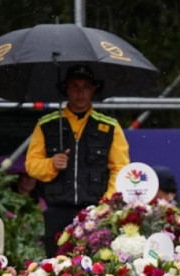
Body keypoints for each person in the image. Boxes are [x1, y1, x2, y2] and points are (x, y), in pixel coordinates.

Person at [26, 64, 130, 258]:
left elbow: (120, 168)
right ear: (65, 88)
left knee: (97, 268)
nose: (80, 92)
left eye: (85, 87)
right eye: (75, 86)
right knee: (57, 269)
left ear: (93, 90)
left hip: (95, 210)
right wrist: (51, 164)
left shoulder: (110, 126)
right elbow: (31, 165)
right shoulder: (46, 124)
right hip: (57, 210)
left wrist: (106, 206)